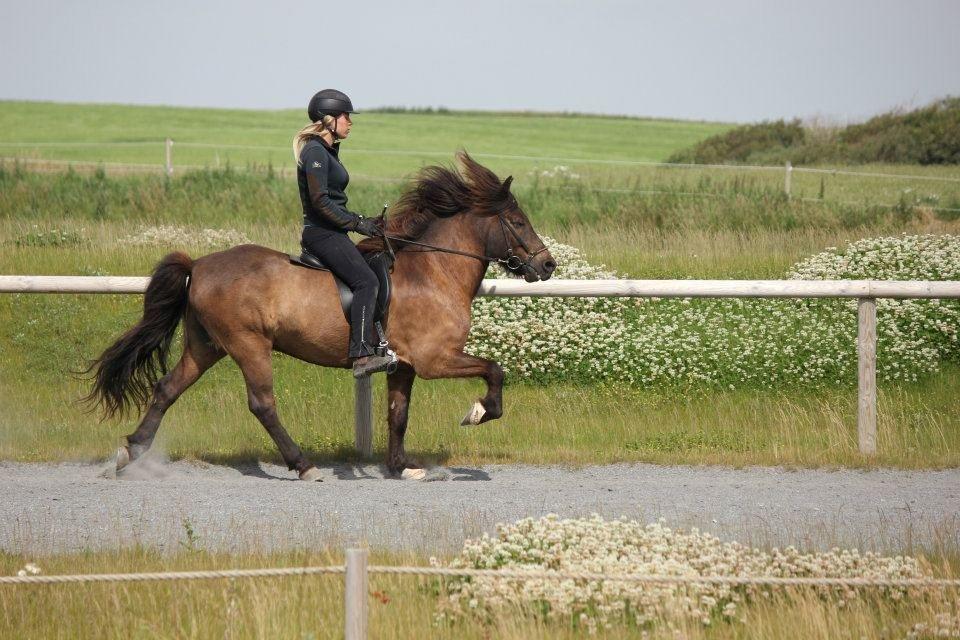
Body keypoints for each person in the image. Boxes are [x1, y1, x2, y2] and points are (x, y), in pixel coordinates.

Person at [293, 89, 395, 377]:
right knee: (365, 280)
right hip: (322, 235)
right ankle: (362, 354)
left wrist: (364, 221)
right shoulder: (314, 152)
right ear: (328, 120)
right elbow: (320, 201)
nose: (350, 122)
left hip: (333, 233)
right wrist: (356, 223)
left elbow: (333, 201)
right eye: (345, 116)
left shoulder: (326, 151)